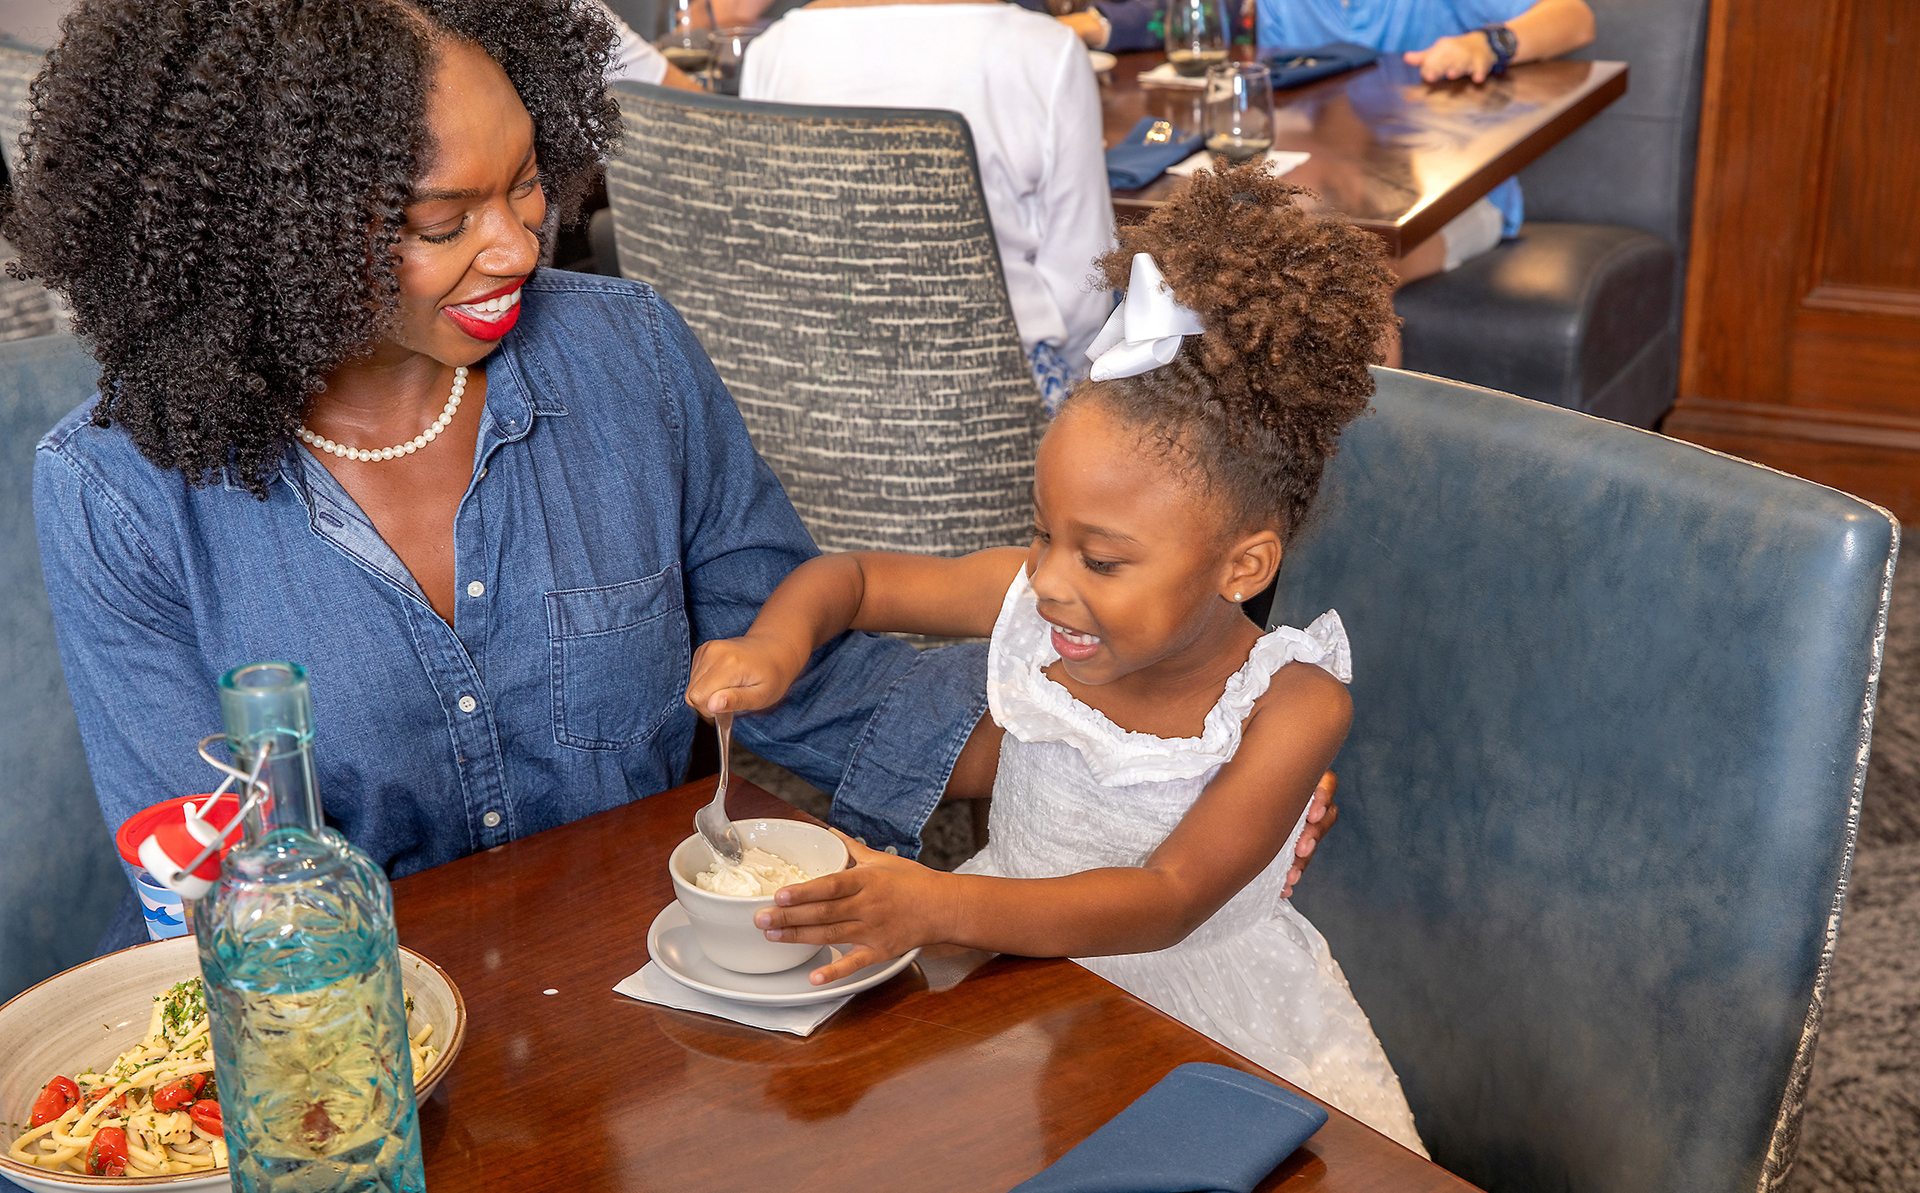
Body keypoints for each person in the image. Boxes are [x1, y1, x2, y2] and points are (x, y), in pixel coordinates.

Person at [8, 0, 1335, 934]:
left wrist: (1159, 766)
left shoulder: (625, 355)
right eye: (444, 221)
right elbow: (211, 898)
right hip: (354, 1061)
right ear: (271, 230)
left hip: (649, 1003)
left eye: (529, 184)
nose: (519, 247)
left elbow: (798, 677)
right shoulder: (122, 494)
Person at [685, 161, 1424, 1152]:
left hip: (1204, 1033)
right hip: (1018, 985)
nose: (1052, 581)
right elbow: (853, 579)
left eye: (1102, 560)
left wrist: (938, 903)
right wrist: (775, 644)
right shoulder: (1033, 600)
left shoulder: (1293, 705)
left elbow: (1166, 902)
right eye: (1043, 534)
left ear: (1242, 566)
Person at [738, 0, 1116, 414]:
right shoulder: (1046, 51)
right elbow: (1084, 289)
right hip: (994, 403)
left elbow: (766, 257)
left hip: (812, 399)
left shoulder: (772, 51)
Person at [1256, 0, 1595, 292]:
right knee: (1262, 265)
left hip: (1455, 200)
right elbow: (1278, 99)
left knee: (1357, 281)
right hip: (1332, 191)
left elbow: (1575, 19)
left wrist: (1487, 44)